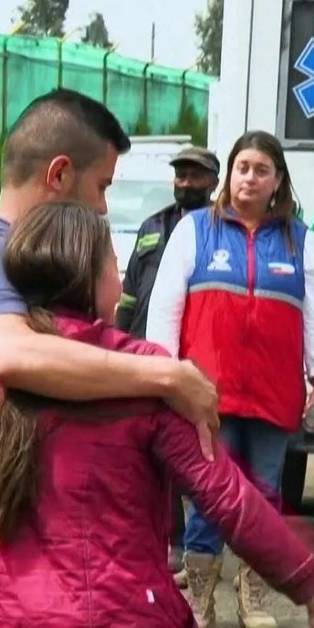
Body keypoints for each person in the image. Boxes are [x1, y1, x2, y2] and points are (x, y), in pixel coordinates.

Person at [0, 199, 314, 628]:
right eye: (115, 262)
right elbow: (228, 499)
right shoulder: (148, 375)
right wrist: (311, 589)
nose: (121, 281)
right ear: (91, 277)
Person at [0, 88, 219, 628]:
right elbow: (14, 356)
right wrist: (166, 374)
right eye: (102, 186)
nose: (102, 209)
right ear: (58, 174)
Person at [146, 130, 314, 628]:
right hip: (207, 397)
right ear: (229, 175)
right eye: (243, 167)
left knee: (263, 497)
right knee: (207, 498)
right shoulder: (194, 230)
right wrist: (166, 376)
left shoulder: (300, 239)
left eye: (262, 170)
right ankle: (198, 604)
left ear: (277, 182)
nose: (250, 177)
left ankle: (253, 598)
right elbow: (165, 308)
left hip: (273, 397)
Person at [116, 144, 220, 580]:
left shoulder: (216, 228)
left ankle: (188, 547)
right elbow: (129, 292)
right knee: (141, 454)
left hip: (189, 361)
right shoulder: (152, 226)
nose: (185, 182)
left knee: (187, 456)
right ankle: (155, 539)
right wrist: (118, 341)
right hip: (143, 356)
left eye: (195, 176)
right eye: (181, 174)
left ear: (213, 182)